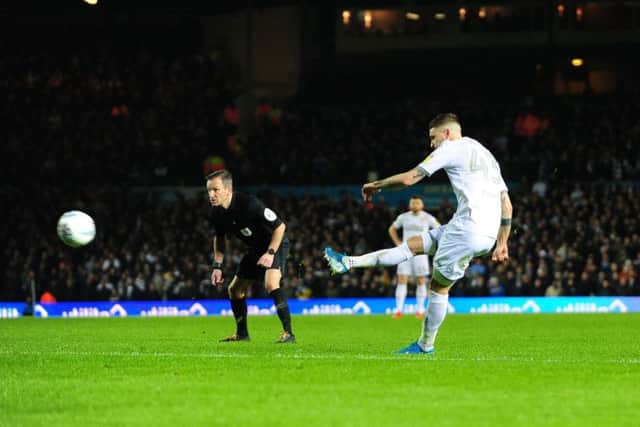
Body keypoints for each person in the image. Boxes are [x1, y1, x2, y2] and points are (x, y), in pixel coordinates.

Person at [324, 113, 512, 354]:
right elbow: (507, 205)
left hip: (467, 230)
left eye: (433, 138)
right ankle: (347, 262)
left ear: (447, 133)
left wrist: (375, 184)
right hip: (483, 232)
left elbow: (410, 179)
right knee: (411, 246)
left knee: (439, 287)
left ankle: (425, 345)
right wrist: (502, 242)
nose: (431, 144)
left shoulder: (451, 148)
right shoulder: (486, 154)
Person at [207, 170, 295, 343]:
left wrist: (270, 253)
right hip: (255, 249)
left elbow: (280, 227)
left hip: (275, 244)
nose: (211, 194)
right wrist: (217, 266)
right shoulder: (216, 213)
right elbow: (220, 238)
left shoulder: (249, 204)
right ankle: (242, 334)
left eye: (215, 190)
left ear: (228, 189)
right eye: (209, 190)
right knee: (234, 290)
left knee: (271, 283)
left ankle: (289, 333)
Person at [388, 196, 440, 318]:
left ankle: (420, 311)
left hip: (421, 253)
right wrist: (397, 243)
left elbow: (439, 229)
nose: (415, 205)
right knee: (402, 279)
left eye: (417, 203)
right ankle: (399, 310)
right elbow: (392, 229)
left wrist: (431, 245)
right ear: (409, 205)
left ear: (422, 205)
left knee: (421, 280)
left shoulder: (427, 217)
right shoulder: (403, 217)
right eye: (413, 203)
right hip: (405, 252)